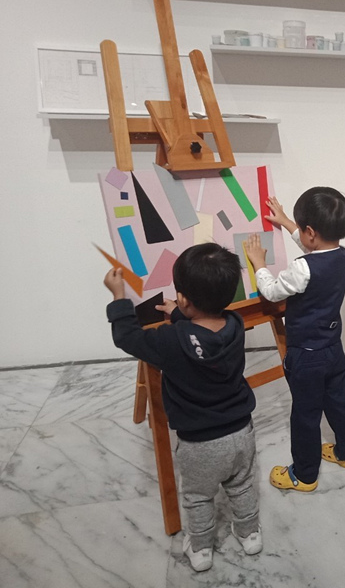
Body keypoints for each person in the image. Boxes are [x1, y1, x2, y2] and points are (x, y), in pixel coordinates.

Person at [104, 243, 262, 572]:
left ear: (184, 299)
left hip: (199, 443)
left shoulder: (168, 341)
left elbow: (127, 337)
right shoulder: (235, 324)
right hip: (242, 432)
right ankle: (250, 534)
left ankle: (201, 550)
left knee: (198, 496)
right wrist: (179, 313)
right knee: (242, 484)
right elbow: (205, 334)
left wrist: (119, 297)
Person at [244, 188, 345, 493]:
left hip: (306, 355)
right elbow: (315, 248)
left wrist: (258, 264)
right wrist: (285, 221)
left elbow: (272, 292)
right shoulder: (344, 257)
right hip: (333, 349)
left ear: (311, 231)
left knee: (305, 416)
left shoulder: (302, 268)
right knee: (338, 402)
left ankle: (305, 475)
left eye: (301, 228)